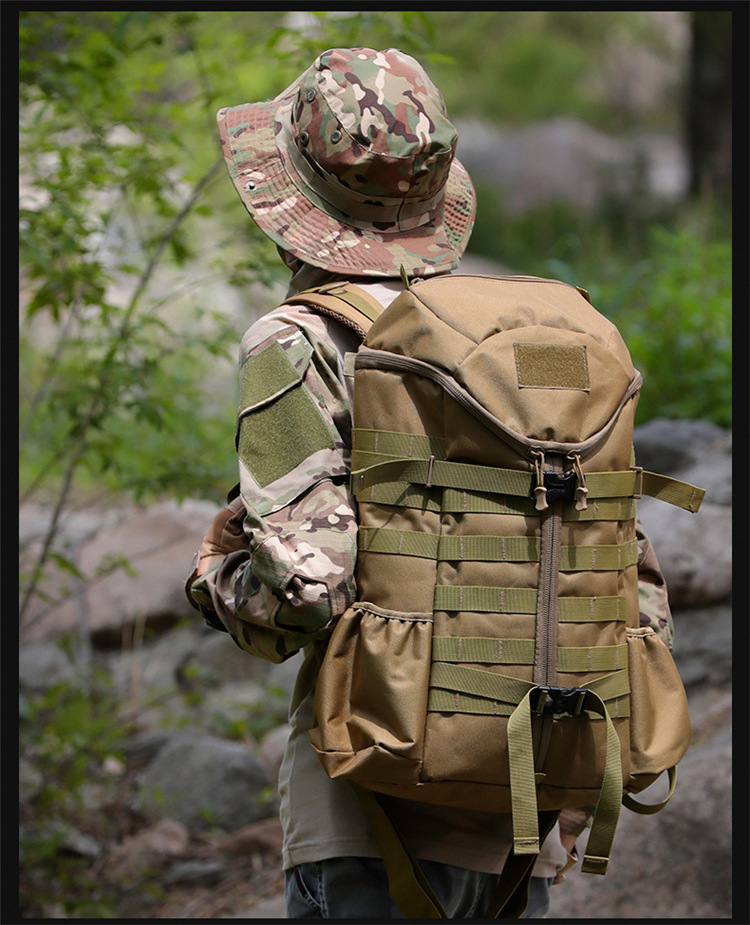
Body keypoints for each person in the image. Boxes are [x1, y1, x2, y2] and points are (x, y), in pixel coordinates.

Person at [186, 46, 674, 919]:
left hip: (369, 799)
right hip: (524, 788)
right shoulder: (517, 340)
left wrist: (217, 581)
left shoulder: (297, 341)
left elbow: (307, 589)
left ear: (290, 199)